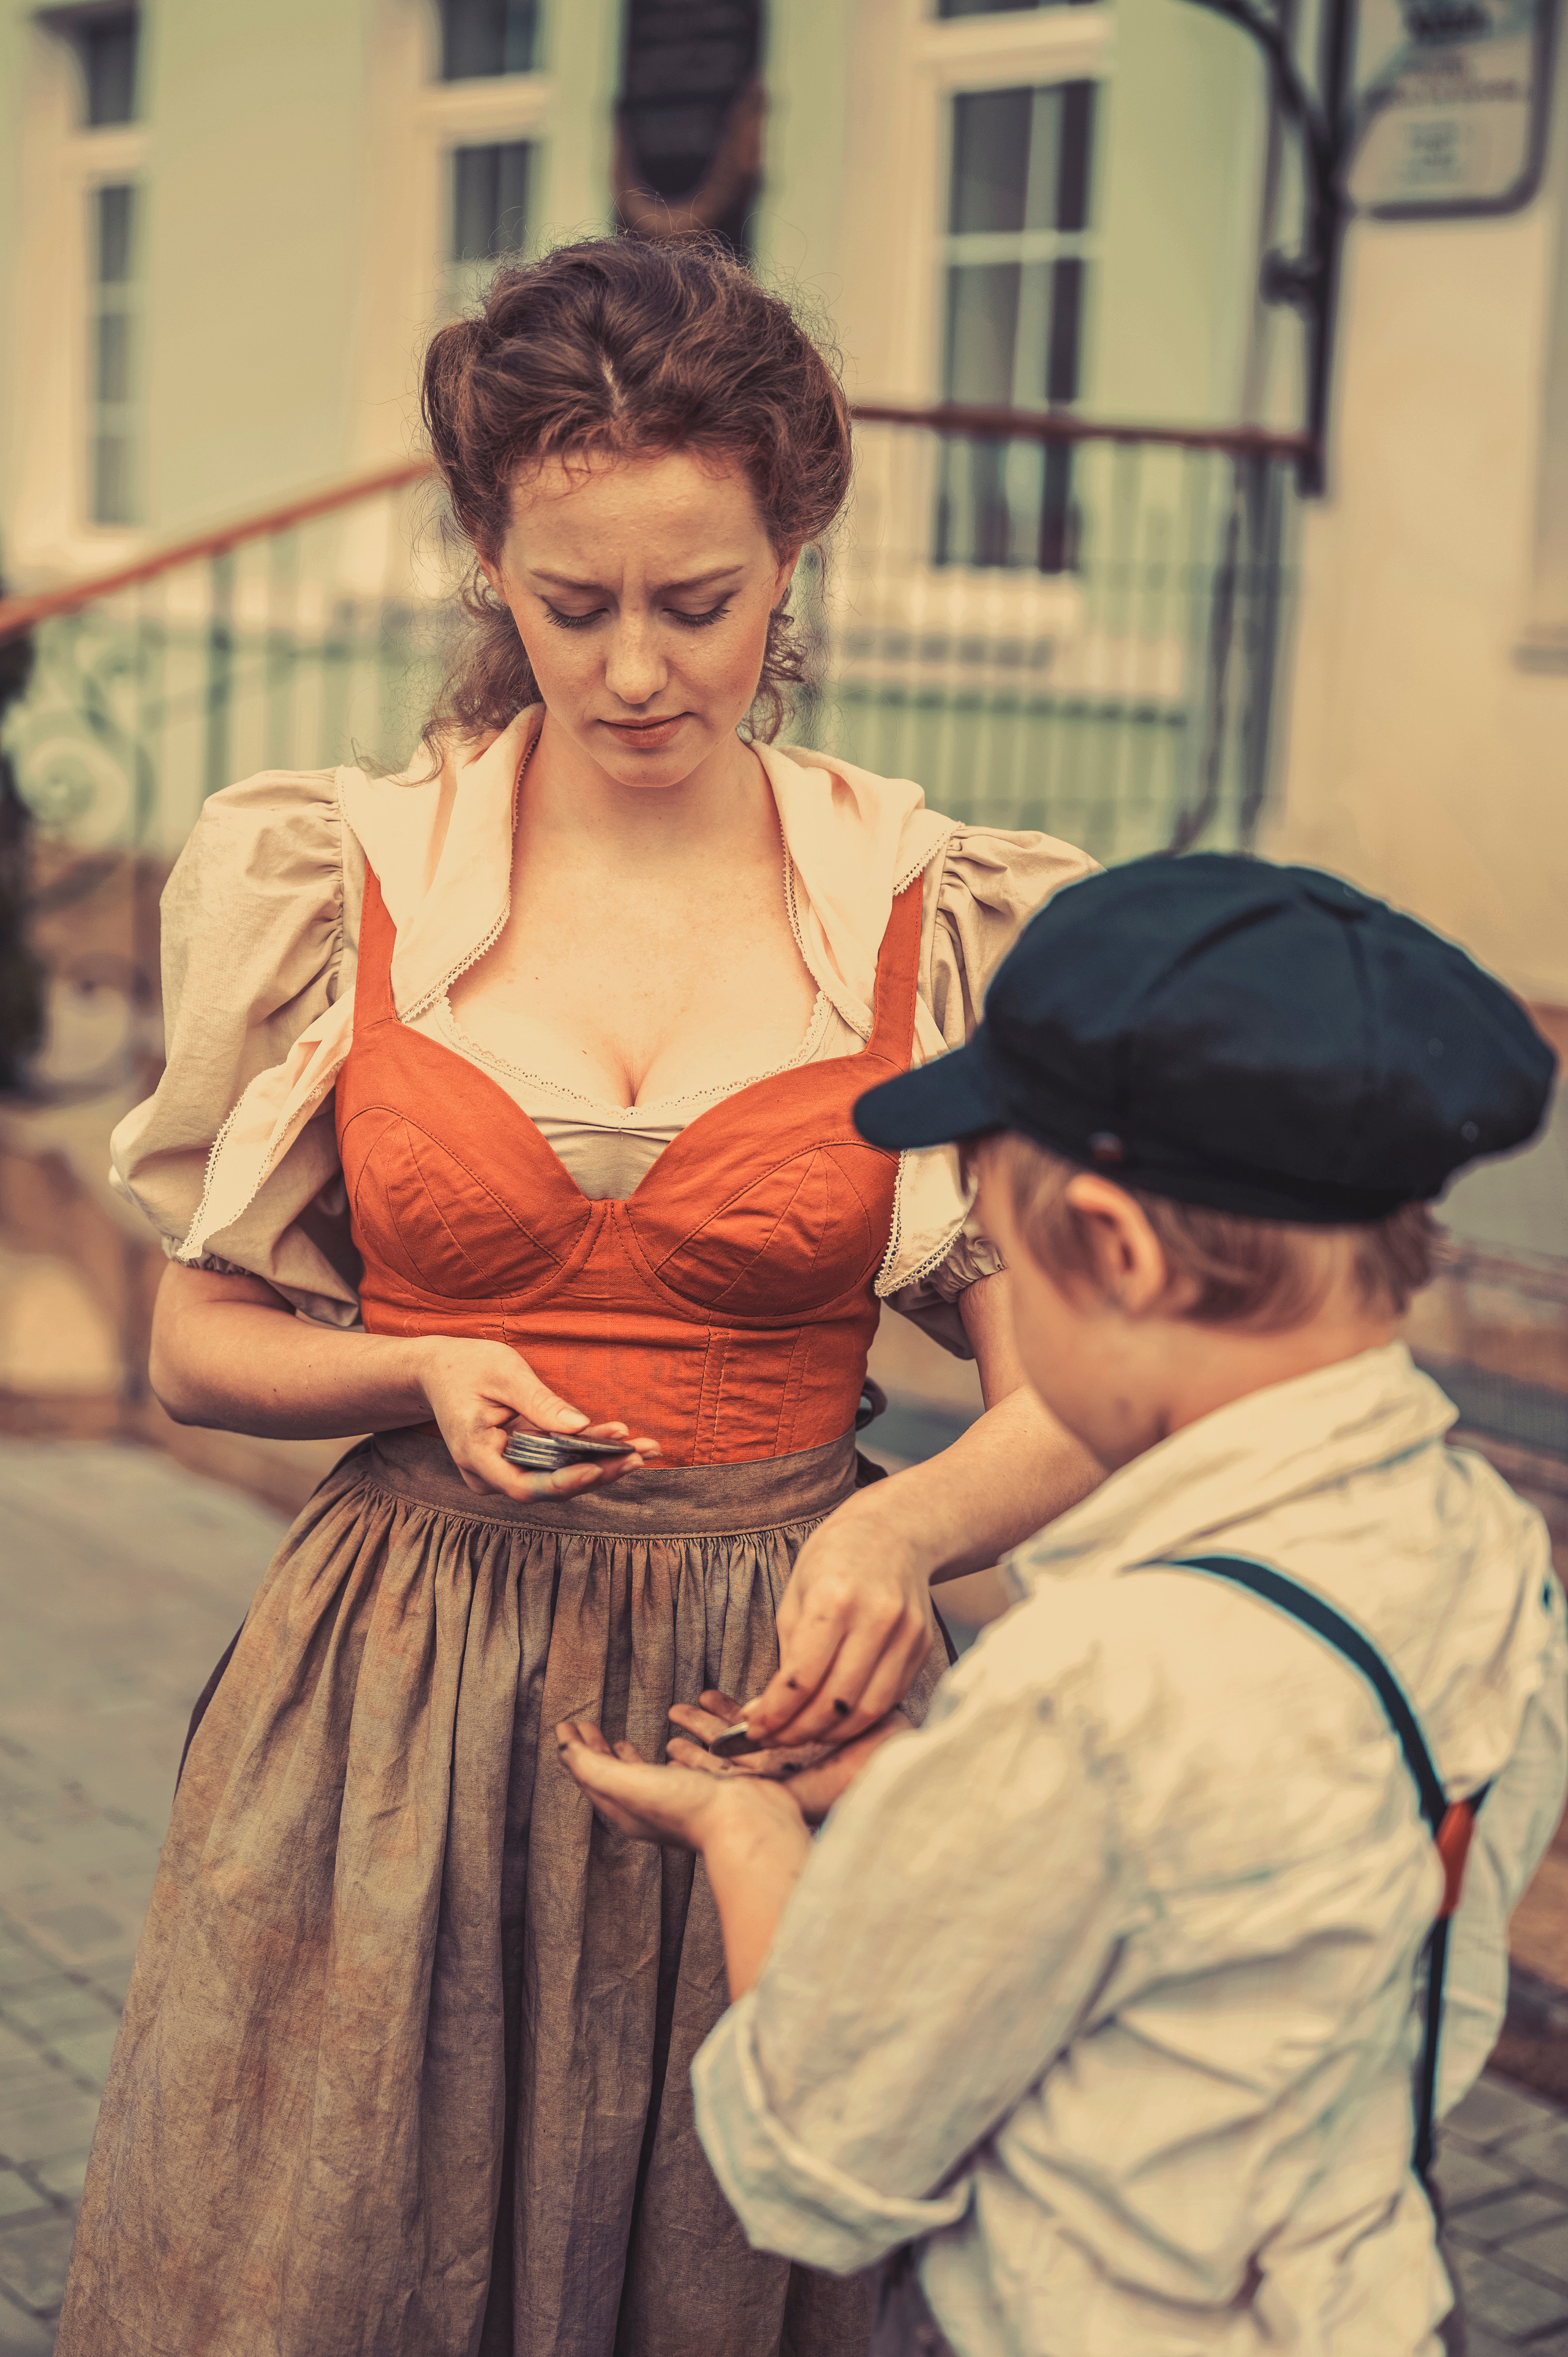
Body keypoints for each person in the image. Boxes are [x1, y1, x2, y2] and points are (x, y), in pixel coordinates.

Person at [56, 240, 1103, 2357]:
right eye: (573, 600)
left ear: (791, 552)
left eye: (697, 601)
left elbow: (1066, 1395)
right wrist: (413, 1355)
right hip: (400, 1693)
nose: (635, 668)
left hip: (784, 1689)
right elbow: (188, 1342)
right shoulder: (343, 874)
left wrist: (901, 1526)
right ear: (487, 556)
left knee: (737, 2249)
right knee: (358, 2252)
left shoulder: (931, 904)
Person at [558, 853, 1568, 2357]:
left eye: (1008, 1248)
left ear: (1110, 1247)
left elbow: (813, 2156)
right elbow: (1297, 1880)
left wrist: (748, 1830)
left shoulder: (1097, 1679)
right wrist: (926, 1794)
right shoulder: (1487, 1547)